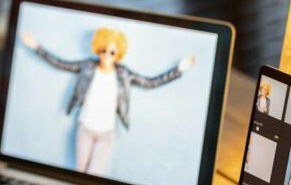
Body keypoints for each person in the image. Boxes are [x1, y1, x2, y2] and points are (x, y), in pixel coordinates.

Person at [20, 28, 195, 175]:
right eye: (103, 50)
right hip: (85, 128)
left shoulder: (124, 74)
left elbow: (150, 83)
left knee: (95, 177)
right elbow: (60, 63)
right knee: (79, 174)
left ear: (118, 54)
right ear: (97, 50)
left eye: (112, 52)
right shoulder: (88, 66)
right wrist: (36, 47)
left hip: (106, 133)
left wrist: (178, 69)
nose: (106, 56)